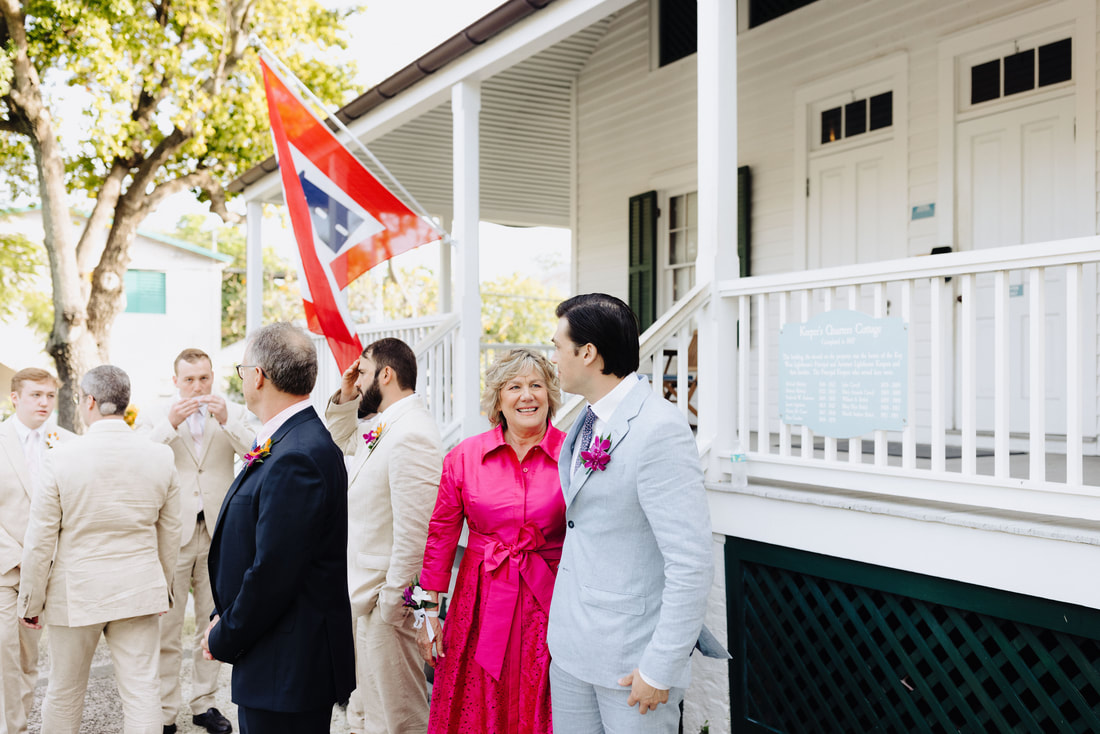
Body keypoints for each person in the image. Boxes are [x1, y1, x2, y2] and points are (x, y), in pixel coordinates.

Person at [546, 293, 713, 733]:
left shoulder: (659, 429)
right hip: (571, 650)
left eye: (557, 345)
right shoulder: (584, 420)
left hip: (631, 662)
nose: (553, 358)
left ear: (587, 353)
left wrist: (659, 668)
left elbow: (691, 560)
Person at [203, 322, 355, 734]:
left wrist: (225, 634)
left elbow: (274, 570)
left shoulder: (298, 454)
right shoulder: (291, 439)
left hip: (288, 662)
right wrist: (225, 614)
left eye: (242, 368)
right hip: (278, 657)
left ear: (258, 376)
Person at [18, 365, 181, 733]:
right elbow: (171, 533)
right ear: (124, 403)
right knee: (142, 693)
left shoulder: (60, 458)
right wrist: (163, 590)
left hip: (76, 593)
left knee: (64, 692)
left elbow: (40, 538)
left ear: (90, 401)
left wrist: (31, 601)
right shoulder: (159, 457)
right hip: (139, 590)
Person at [418, 348, 566, 733]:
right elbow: (439, 540)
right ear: (498, 398)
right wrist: (428, 614)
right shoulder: (464, 457)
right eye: (514, 386)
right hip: (479, 602)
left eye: (536, 385)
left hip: (550, 600)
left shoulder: (573, 455)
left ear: (550, 393)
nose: (527, 395)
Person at [325, 337, 444, 734]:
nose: (358, 382)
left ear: (386, 374)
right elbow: (341, 441)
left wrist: (394, 607)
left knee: (398, 720)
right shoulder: (384, 426)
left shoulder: (412, 434)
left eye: (362, 372)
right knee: (369, 714)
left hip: (389, 604)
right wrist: (345, 397)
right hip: (369, 599)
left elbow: (417, 532)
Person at [146, 348, 254, 734]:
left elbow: (257, 453)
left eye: (204, 378)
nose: (197, 386)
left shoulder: (233, 413)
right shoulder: (157, 416)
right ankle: (164, 710)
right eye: (189, 379)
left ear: (213, 378)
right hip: (173, 533)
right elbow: (141, 458)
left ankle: (205, 703)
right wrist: (168, 427)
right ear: (175, 381)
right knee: (167, 626)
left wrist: (227, 421)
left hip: (218, 534)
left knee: (213, 622)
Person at [0, 368, 74, 734]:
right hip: (4, 568)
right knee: (4, 655)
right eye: (36, 395)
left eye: (49, 395)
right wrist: (17, 557)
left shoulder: (70, 443)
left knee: (31, 659)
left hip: (50, 571)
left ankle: (20, 723)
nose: (45, 402)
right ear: (15, 398)